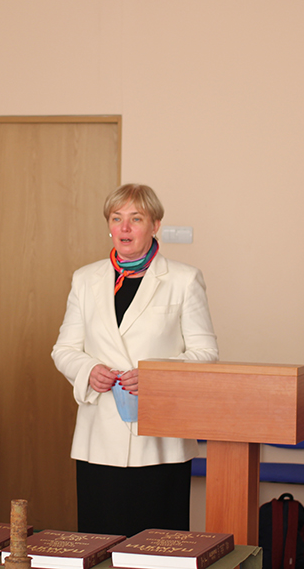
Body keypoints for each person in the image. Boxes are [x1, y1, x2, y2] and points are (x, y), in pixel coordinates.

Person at [51, 183, 219, 538]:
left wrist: (155, 375)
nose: (124, 228)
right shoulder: (85, 279)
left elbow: (206, 354)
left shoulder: (184, 279)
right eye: (117, 218)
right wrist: (88, 370)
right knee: (100, 543)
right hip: (100, 437)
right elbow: (64, 349)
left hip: (160, 441)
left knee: (158, 546)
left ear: (155, 225)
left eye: (136, 218)